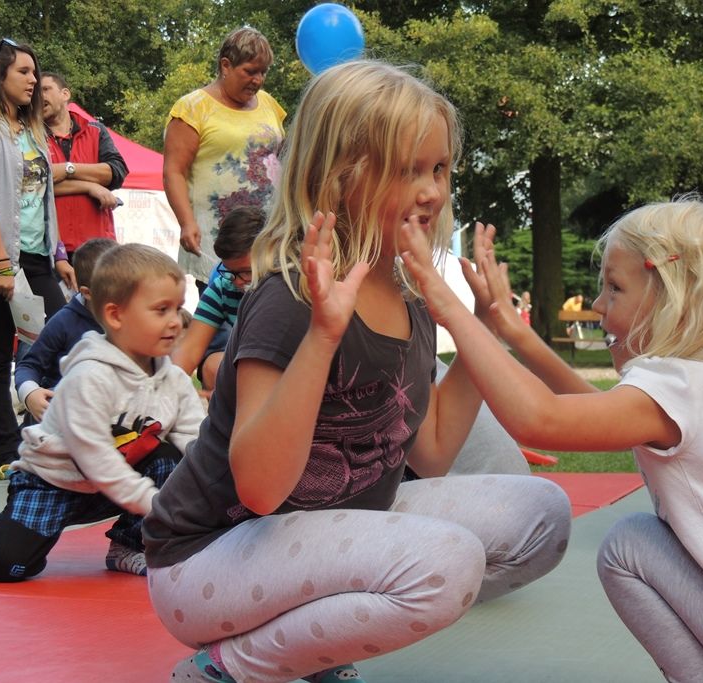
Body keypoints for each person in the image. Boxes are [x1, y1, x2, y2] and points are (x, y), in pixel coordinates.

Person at [143, 60, 570, 683]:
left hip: (327, 534)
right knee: (445, 563)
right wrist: (323, 336)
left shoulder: (410, 298)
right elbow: (260, 489)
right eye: (410, 170)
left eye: (440, 169)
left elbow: (432, 450)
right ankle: (231, 666)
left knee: (543, 515)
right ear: (341, 175)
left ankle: (311, 642)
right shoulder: (290, 297)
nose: (432, 190)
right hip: (207, 562)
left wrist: (480, 325)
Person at [398, 199, 703, 682]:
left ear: (674, 303)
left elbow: (540, 420)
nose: (598, 303)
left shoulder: (678, 388)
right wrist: (510, 328)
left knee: (629, 546)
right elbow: (587, 408)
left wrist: (453, 311)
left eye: (614, 288)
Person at [0, 243, 205, 582]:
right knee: (6, 565)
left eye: (178, 309)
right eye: (161, 310)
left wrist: (222, 490)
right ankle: (30, 525)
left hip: (115, 482)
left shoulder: (171, 378)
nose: (176, 322)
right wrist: (159, 505)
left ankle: (129, 545)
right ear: (115, 315)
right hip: (55, 480)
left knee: (169, 456)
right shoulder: (90, 376)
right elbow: (95, 458)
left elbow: (197, 442)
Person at [0, 38, 75, 469]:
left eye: (35, 72)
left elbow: (42, 198)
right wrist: (1, 264)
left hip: (38, 258)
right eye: (24, 72)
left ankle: (57, 441)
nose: (34, 80)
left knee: (62, 346)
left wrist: (60, 254)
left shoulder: (33, 132)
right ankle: (6, 452)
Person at [163, 26, 286, 287]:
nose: (258, 80)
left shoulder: (268, 104)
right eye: (250, 71)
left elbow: (281, 155)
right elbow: (174, 171)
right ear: (226, 65)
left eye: (263, 72)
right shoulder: (193, 108)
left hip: (267, 235)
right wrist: (185, 222)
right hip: (218, 240)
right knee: (221, 316)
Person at [15, 237, 117, 428]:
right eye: (115, 292)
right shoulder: (64, 321)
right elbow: (29, 365)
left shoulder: (130, 317)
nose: (124, 299)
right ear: (87, 293)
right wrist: (31, 394)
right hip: (61, 418)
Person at [171, 205, 263, 392]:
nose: (237, 282)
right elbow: (188, 352)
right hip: (244, 368)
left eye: (246, 272)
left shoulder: (286, 289)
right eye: (229, 271)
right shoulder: (223, 286)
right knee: (213, 366)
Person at [40, 72, 129, 262]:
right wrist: (91, 186)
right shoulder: (31, 136)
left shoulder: (95, 130)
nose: (39, 97)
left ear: (65, 94)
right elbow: (38, 184)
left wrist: (67, 169)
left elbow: (116, 173)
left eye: (45, 89)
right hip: (50, 249)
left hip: (98, 247)